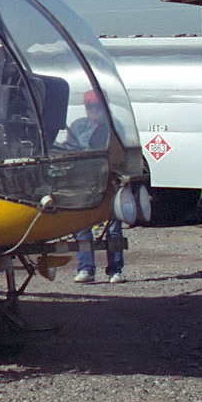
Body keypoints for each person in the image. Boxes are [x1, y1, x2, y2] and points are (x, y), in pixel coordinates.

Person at [67, 89, 124, 284]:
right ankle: (86, 269)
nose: (93, 110)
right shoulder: (77, 127)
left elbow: (120, 154)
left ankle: (115, 270)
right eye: (89, 106)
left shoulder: (115, 127)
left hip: (108, 181)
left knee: (113, 227)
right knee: (82, 226)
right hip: (83, 181)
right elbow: (69, 150)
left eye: (97, 106)